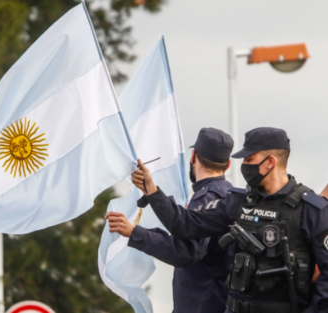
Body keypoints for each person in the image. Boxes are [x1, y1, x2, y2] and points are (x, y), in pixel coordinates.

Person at [132, 127, 328, 313]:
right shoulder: (237, 202)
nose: (244, 166)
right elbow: (186, 225)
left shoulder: (311, 210)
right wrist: (152, 190)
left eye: (250, 159)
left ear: (270, 162)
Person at [106, 128, 234, 313]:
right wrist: (151, 190)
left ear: (193, 156)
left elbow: (187, 251)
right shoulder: (226, 194)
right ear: (228, 164)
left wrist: (134, 232)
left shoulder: (207, 197)